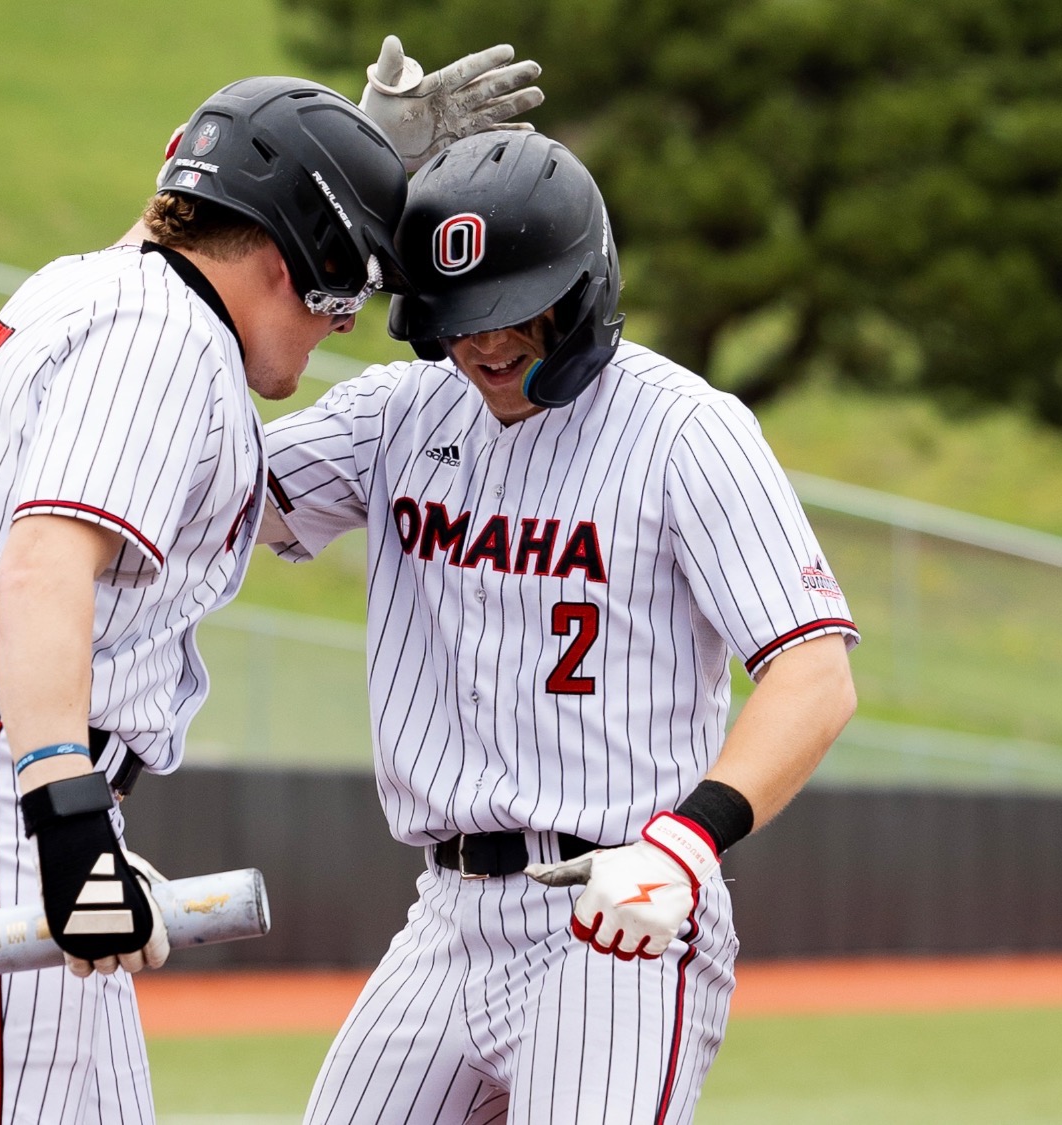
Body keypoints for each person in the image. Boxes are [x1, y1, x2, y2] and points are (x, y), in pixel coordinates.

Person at [0, 53, 536, 1124]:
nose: (349, 316)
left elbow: (180, 223)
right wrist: (64, 813)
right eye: (352, 277)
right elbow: (46, 561)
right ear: (305, 251)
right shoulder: (163, 337)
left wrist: (355, 159)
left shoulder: (101, 287)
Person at [259, 130, 860, 1124]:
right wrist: (306, 216)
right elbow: (184, 483)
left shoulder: (683, 430)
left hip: (619, 898)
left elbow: (812, 673)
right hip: (447, 912)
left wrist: (684, 845)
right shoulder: (397, 414)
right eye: (458, 316)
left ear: (582, 288)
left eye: (513, 311)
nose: (484, 344)